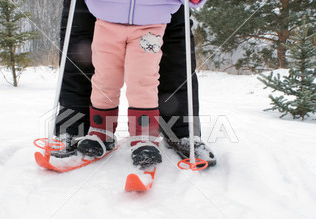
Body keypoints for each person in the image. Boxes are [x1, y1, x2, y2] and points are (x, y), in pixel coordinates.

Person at [53, 0, 216, 167]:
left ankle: (172, 133)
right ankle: (79, 128)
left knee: (148, 76)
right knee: (100, 71)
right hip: (106, 12)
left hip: (153, 15)